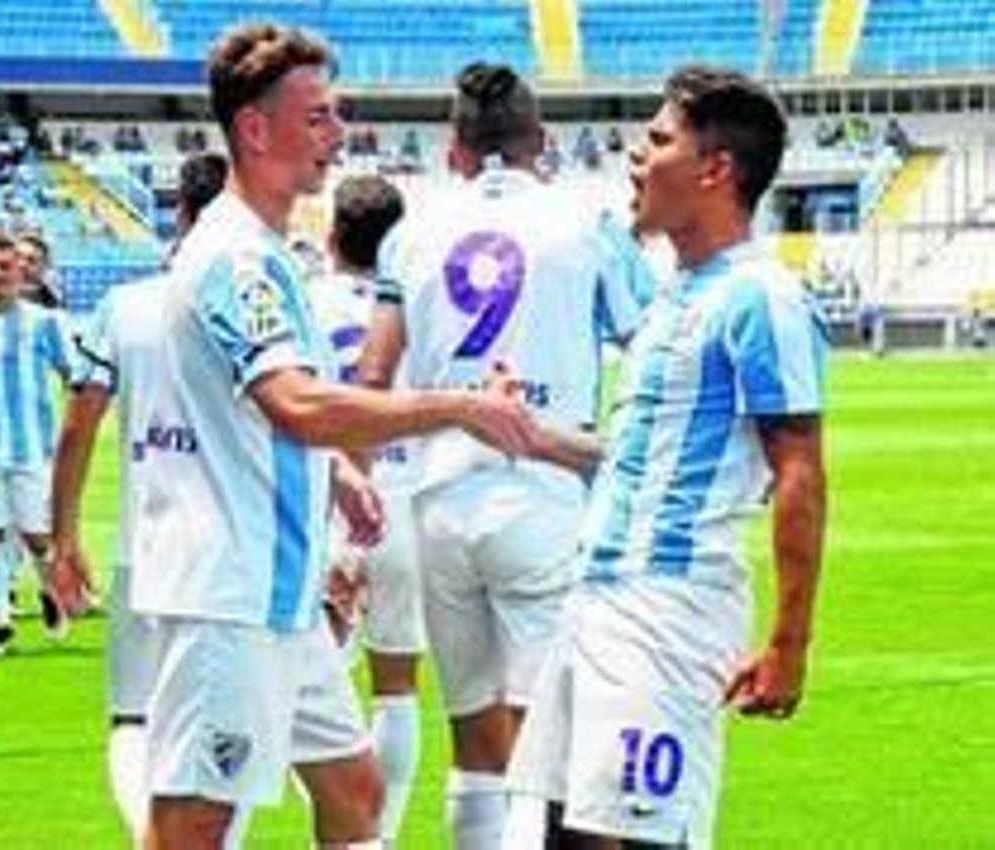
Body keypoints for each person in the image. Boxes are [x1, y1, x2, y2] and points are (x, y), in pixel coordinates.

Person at [131, 24, 568, 849]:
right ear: (254, 129)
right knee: (191, 823)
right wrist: (458, 407)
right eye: (318, 117)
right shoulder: (236, 259)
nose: (339, 134)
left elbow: (258, 408)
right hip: (232, 593)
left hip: (281, 590)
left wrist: (337, 472)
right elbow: (296, 402)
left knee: (355, 791)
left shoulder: (264, 252)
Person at [503, 66, 829, 848]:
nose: (635, 156)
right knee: (562, 833)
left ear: (715, 169)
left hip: (668, 610)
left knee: (644, 834)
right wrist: (532, 434)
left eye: (657, 140)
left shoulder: (760, 296)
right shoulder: (672, 297)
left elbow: (799, 468)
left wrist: (789, 643)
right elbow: (639, 460)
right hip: (596, 594)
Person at [360, 63, 651, 849]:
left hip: (439, 495)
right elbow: (650, 346)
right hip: (545, 487)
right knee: (549, 751)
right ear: (543, 143)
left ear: (454, 148)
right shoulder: (588, 222)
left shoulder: (410, 233)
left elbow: (373, 375)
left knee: (475, 742)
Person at [49, 150, 229, 844]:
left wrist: (63, 538)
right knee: (231, 726)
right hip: (238, 551)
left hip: (147, 544)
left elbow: (77, 428)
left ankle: (146, 836)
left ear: (179, 213)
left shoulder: (126, 307)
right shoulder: (268, 301)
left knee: (133, 716)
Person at [307, 173, 426, 845]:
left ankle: (345, 824)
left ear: (331, 236)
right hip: (406, 499)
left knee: (302, 683)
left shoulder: (306, 299)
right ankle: (379, 835)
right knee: (397, 685)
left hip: (332, 496)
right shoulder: (415, 306)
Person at [0, 228, 78, 656]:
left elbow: (73, 376)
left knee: (36, 537)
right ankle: (2, 625)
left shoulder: (46, 322)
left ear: (19, 272)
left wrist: (71, 431)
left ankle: (52, 593)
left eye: (4, 266)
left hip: (32, 449)